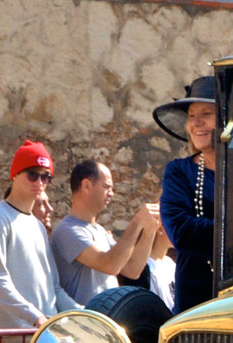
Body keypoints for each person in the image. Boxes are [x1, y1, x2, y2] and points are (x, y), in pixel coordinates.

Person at [0, 140, 71, 343]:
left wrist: (87, 313)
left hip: (48, 335)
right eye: (33, 175)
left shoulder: (37, 226)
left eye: (46, 177)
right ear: (15, 175)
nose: (40, 183)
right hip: (18, 337)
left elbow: (54, 288)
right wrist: (35, 317)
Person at [52, 159, 166, 305]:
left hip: (106, 321)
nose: (111, 194)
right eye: (106, 187)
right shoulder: (67, 231)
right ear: (86, 186)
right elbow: (110, 265)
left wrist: (150, 229)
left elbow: (132, 270)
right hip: (84, 323)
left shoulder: (100, 231)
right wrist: (137, 222)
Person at [156, 77, 222, 312]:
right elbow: (181, 232)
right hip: (196, 301)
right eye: (192, 116)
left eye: (206, 114)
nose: (197, 123)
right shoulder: (179, 172)